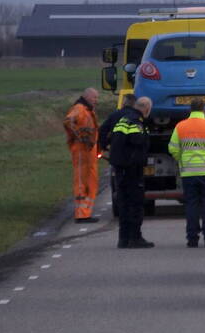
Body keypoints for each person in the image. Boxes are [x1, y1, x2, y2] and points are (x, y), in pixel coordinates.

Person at [168, 99, 205, 247]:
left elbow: (172, 148)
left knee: (191, 205)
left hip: (188, 173)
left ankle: (192, 239)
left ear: (190, 110)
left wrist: (181, 158)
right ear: (204, 110)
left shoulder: (180, 126)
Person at [106, 96, 155, 249]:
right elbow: (138, 142)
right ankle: (135, 238)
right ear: (146, 108)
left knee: (124, 204)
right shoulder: (137, 122)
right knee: (136, 203)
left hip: (120, 168)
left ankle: (123, 239)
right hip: (132, 169)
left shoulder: (123, 120)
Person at [63, 87, 100, 223]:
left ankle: (85, 213)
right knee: (82, 181)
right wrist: (80, 136)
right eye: (94, 97)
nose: (96, 100)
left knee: (90, 181)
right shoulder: (79, 109)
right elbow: (69, 121)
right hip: (81, 151)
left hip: (88, 151)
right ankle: (81, 214)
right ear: (87, 97)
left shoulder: (87, 110)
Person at [99, 93, 137, 219]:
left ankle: (123, 211)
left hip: (118, 156)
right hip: (134, 157)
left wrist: (104, 145)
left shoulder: (114, 115)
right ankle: (133, 210)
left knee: (120, 186)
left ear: (124, 103)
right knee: (134, 185)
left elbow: (102, 130)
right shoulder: (136, 117)